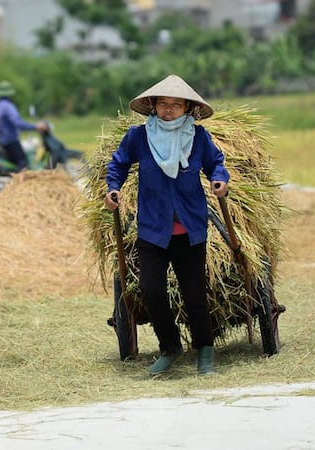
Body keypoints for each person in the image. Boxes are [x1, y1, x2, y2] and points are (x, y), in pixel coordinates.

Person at [104, 74, 230, 376]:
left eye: (176, 105)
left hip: (189, 228)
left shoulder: (198, 137)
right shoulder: (138, 137)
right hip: (153, 229)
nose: (169, 110)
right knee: (151, 291)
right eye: (163, 104)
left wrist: (219, 180)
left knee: (195, 293)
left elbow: (216, 163)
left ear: (188, 108)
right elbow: (118, 163)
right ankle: (170, 346)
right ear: (153, 106)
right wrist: (113, 188)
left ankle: (205, 352)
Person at [0, 80, 47, 172]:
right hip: (10, 141)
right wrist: (35, 127)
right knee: (23, 164)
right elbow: (17, 122)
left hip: (0, 141)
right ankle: (16, 184)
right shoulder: (8, 106)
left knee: (12, 165)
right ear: (10, 94)